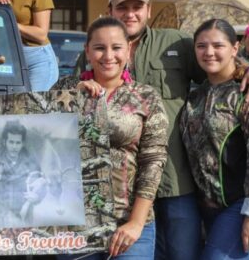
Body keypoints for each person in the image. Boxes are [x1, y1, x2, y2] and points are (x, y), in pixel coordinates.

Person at [70, 0, 249, 260]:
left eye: (137, 6)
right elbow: (68, 102)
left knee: (182, 254)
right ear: (110, 10)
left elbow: (218, 63)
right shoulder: (95, 51)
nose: (131, 14)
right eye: (122, 7)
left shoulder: (175, 42)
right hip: (122, 190)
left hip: (175, 179)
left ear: (149, 10)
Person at [53, 17, 168, 259]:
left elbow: (153, 161)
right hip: (74, 223)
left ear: (128, 50)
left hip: (129, 225)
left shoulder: (145, 97)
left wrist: (136, 223)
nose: (108, 56)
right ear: (87, 51)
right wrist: (73, 98)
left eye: (116, 48)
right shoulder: (64, 89)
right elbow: (41, 138)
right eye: (99, 48)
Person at [179, 18, 249, 258]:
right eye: (201, 46)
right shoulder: (196, 95)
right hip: (212, 206)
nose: (209, 52)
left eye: (218, 45)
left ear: (235, 49)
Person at [0, 121, 46, 227]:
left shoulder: (32, 163)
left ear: (23, 143)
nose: (14, 147)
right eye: (11, 142)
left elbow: (42, 185)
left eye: (18, 143)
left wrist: (37, 197)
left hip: (23, 218)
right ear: (5, 142)